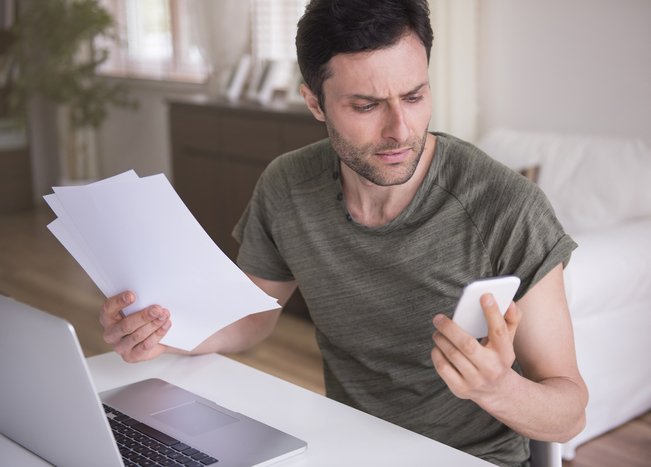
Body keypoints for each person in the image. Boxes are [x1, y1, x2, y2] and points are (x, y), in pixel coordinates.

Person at [99, 1, 588, 465]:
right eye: (366, 105)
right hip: (346, 445)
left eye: (415, 96)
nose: (400, 129)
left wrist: (496, 387)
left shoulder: (507, 208)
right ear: (314, 102)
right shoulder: (287, 186)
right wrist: (168, 333)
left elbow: (570, 414)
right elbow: (253, 317)